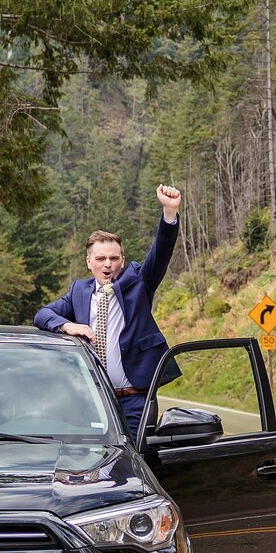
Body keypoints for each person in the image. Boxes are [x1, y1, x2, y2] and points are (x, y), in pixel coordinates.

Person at [34, 184, 182, 438]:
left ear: (122, 261)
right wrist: (68, 326)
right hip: (92, 403)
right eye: (101, 259)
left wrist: (169, 213)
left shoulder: (139, 282)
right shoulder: (78, 292)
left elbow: (162, 250)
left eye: (113, 259)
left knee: (134, 463)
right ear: (89, 262)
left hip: (136, 400)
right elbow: (42, 315)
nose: (107, 265)